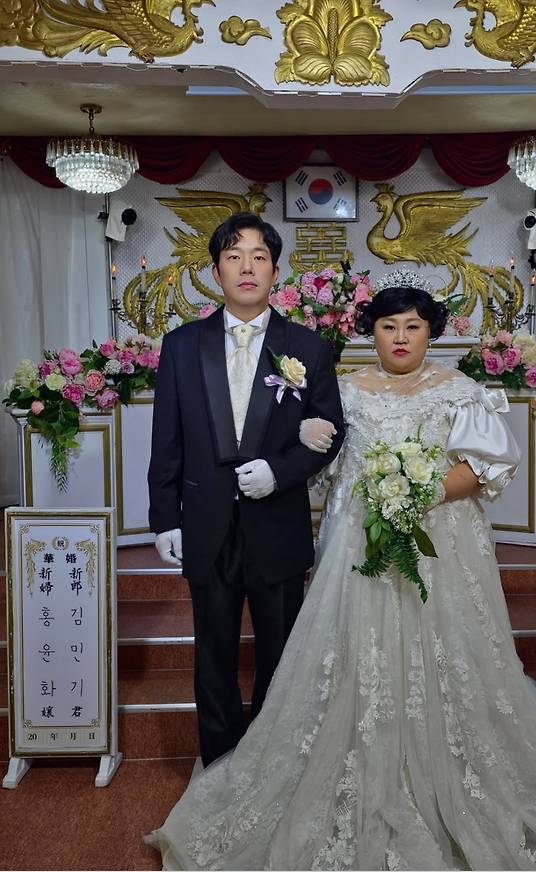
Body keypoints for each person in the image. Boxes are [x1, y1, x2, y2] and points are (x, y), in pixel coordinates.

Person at [149, 273, 536, 870]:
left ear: (430, 333)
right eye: (389, 326)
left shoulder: (459, 390)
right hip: (356, 545)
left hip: (440, 546)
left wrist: (421, 491)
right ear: (374, 332)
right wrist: (306, 438)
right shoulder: (346, 390)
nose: (400, 337)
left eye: (413, 326)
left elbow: (484, 466)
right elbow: (317, 458)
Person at [147, 212, 345, 768]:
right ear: (216, 273)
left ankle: (274, 762)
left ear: (276, 271)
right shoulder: (182, 345)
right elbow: (167, 438)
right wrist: (165, 518)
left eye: (259, 257)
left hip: (276, 521)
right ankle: (218, 761)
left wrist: (280, 472)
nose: (247, 267)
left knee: (280, 651)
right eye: (234, 257)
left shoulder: (307, 347)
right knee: (213, 653)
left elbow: (330, 433)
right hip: (205, 522)